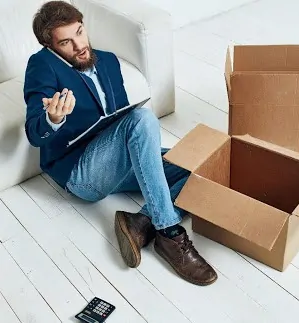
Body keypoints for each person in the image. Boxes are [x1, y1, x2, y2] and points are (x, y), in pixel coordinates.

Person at [24, 1, 217, 286]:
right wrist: (52, 118)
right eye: (66, 42)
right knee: (142, 118)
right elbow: (33, 131)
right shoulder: (42, 65)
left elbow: (121, 121)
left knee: (203, 167)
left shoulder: (108, 61)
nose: (79, 46)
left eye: (80, 32)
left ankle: (139, 223)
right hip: (81, 173)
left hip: (118, 164)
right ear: (49, 46)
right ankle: (169, 233)